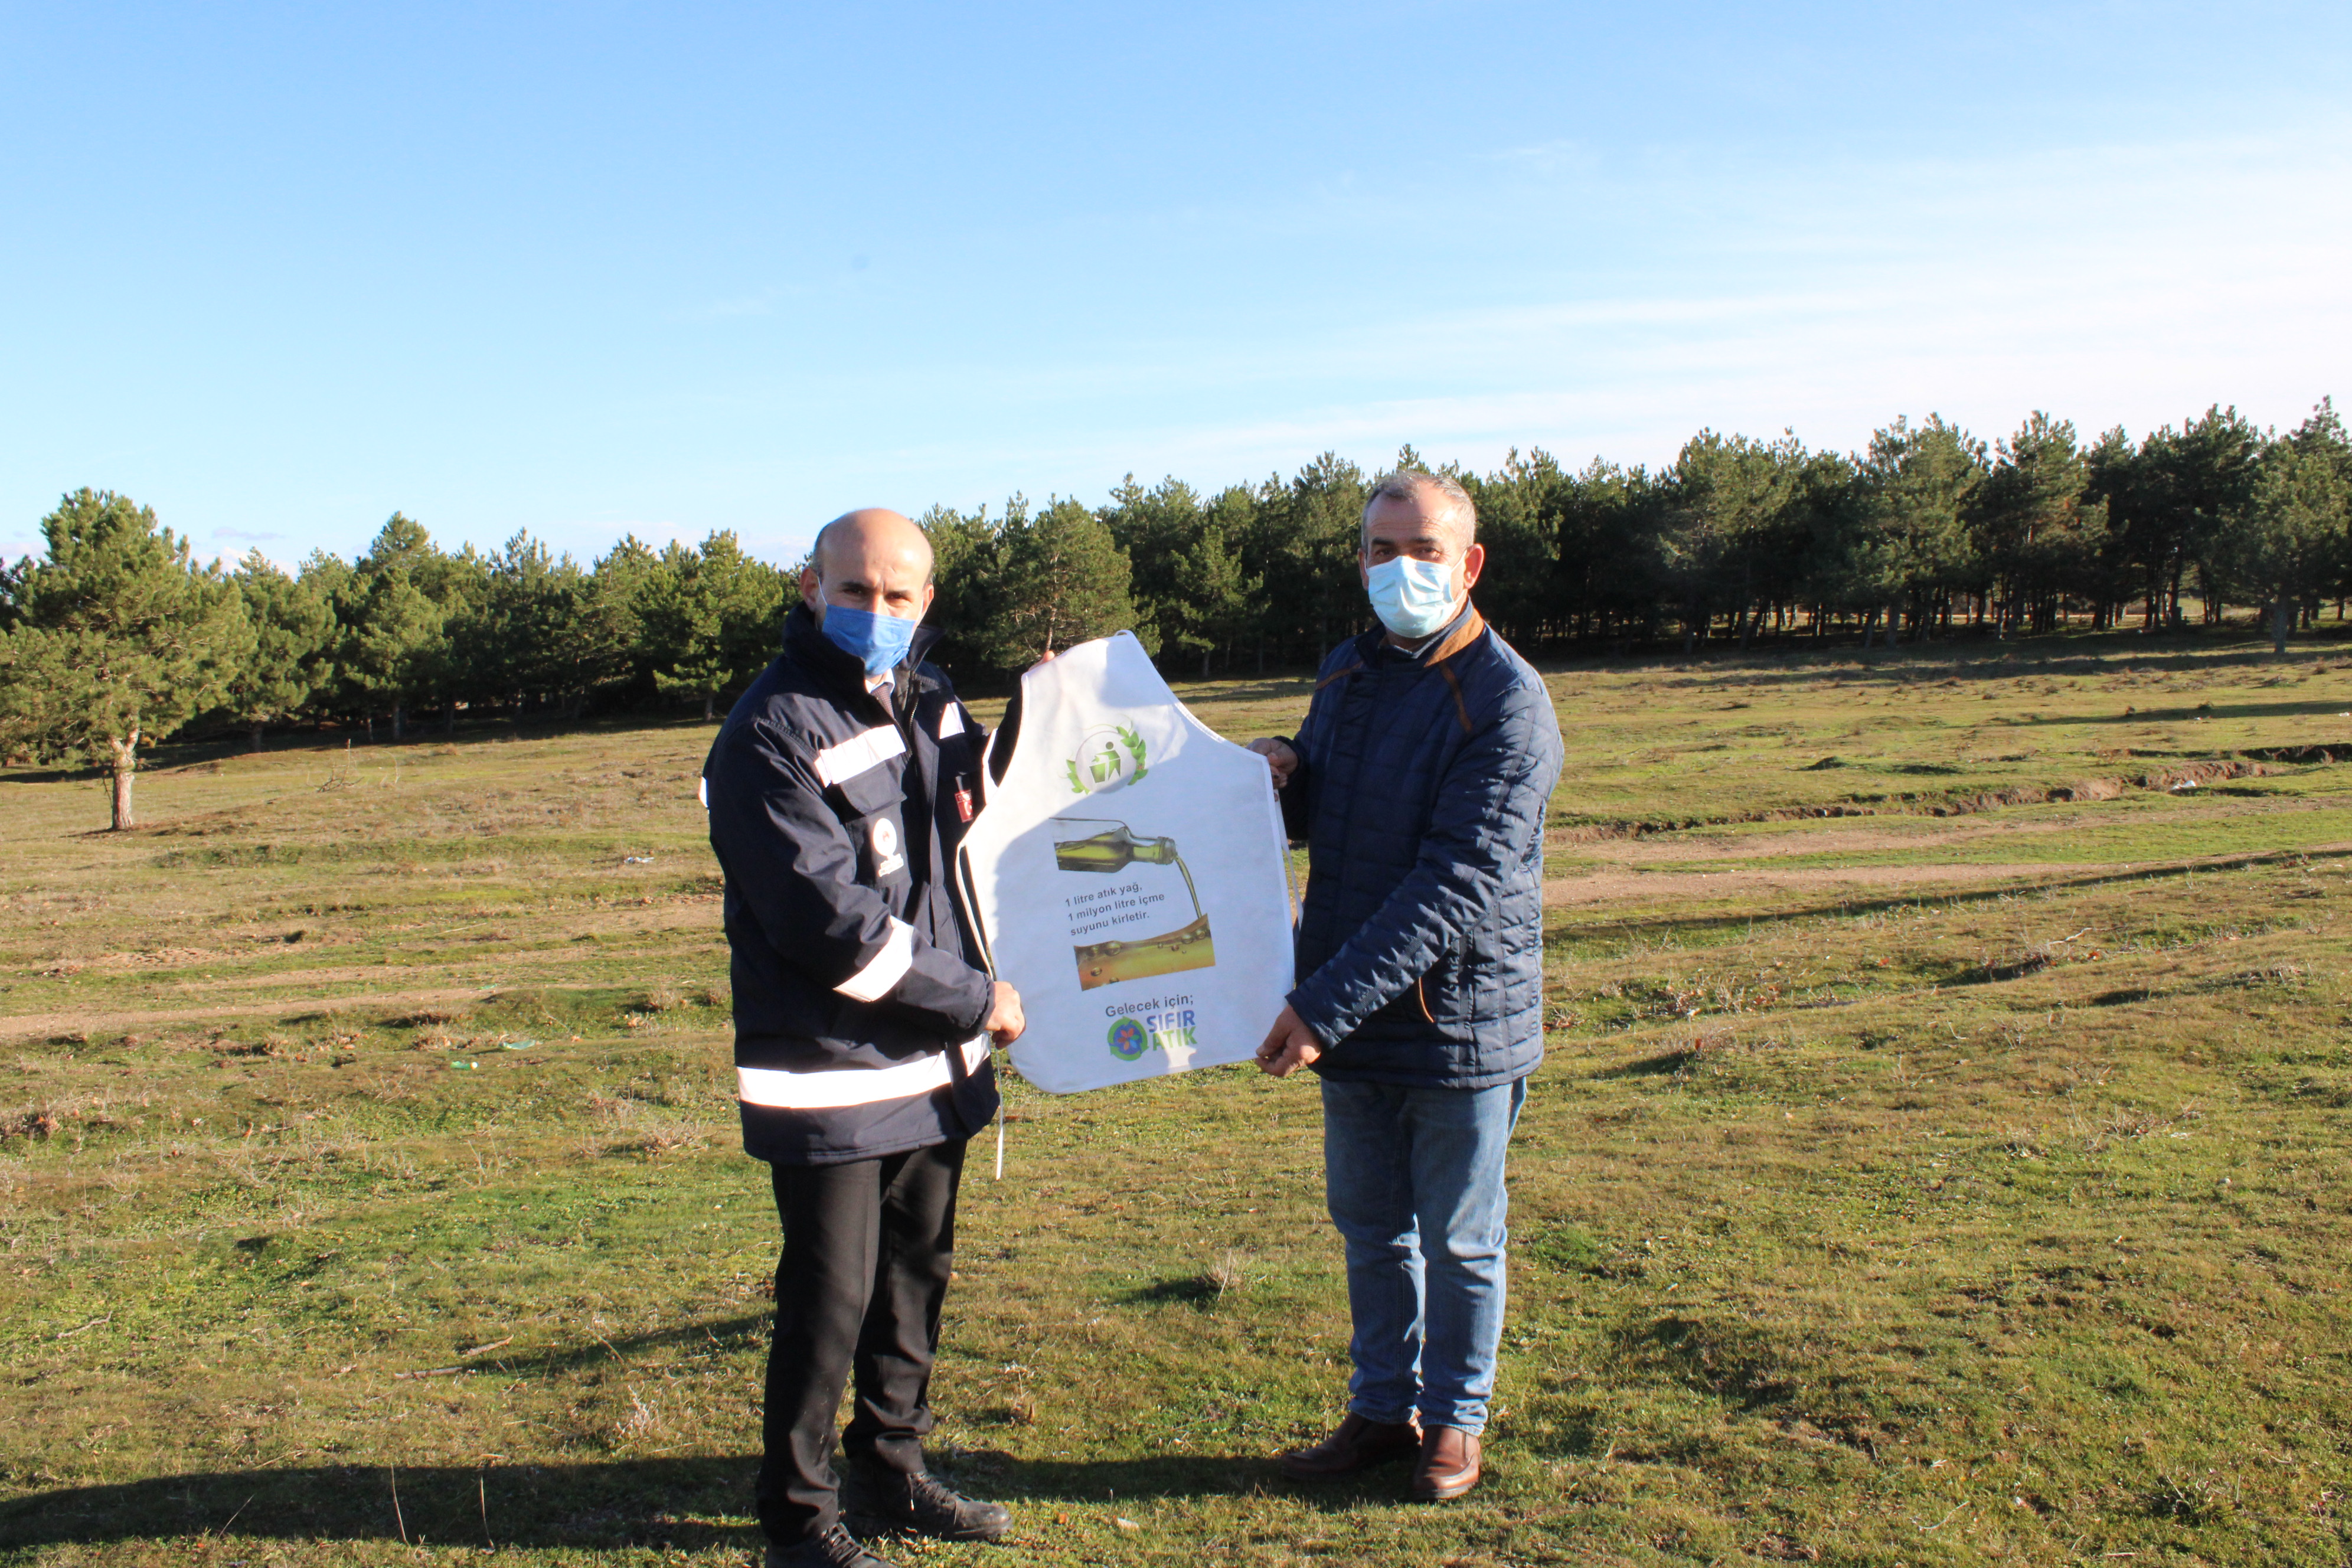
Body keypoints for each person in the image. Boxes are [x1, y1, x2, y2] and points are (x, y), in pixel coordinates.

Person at [703, 508, 1027, 1568]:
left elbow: (982, 802)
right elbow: (832, 931)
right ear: (810, 588)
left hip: (936, 1071)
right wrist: (978, 1002)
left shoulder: (928, 697)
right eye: (855, 592)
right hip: (833, 1076)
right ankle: (798, 1521)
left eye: (898, 597)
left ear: (925, 602)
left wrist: (1045, 715)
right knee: (830, 1297)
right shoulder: (767, 733)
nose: (876, 613)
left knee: (913, 1279)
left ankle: (891, 1470)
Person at [1247, 470, 1564, 1502]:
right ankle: (1382, 1412)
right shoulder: (1349, 671)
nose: (1399, 569)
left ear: (1468, 565)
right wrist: (1281, 776)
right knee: (1370, 1227)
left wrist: (1318, 1005)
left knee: (1462, 1237)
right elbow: (1331, 822)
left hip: (1455, 1021)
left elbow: (1453, 887)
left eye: (1422, 550)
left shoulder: (1509, 705)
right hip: (1347, 1012)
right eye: (1381, 550)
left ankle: (1454, 1423)